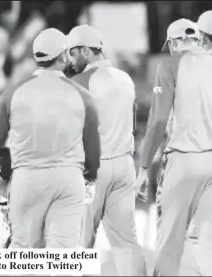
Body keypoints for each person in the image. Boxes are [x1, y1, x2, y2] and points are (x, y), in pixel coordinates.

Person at [0, 28, 101, 248]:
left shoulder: (13, 92)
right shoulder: (84, 96)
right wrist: (91, 176)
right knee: (64, 260)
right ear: (64, 55)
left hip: (27, 180)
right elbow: (93, 147)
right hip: (68, 180)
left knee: (26, 259)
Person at [133, 18, 212, 276]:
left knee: (170, 242)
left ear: (173, 42)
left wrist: (144, 167)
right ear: (196, 40)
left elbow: (158, 119)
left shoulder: (170, 65)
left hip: (183, 159)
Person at [66, 24, 146, 276]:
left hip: (91, 171)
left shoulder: (78, 82)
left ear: (86, 51)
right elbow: (133, 125)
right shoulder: (126, 79)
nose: (69, 59)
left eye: (72, 53)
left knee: (79, 245)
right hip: (123, 166)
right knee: (126, 243)